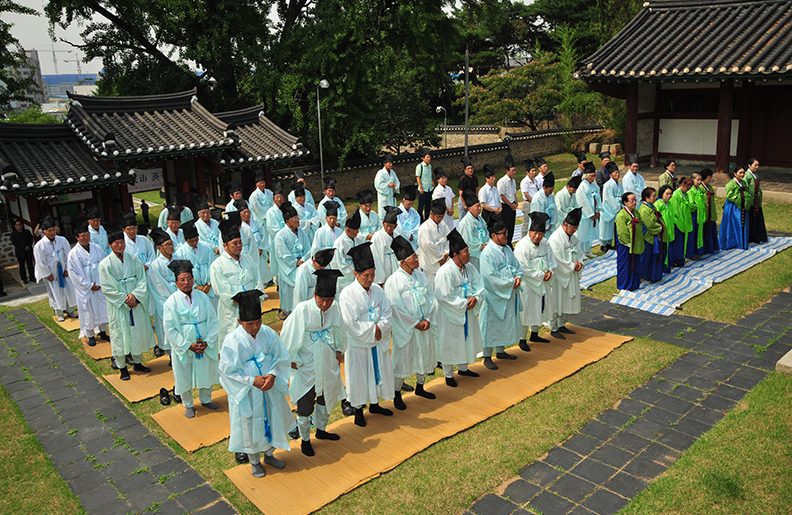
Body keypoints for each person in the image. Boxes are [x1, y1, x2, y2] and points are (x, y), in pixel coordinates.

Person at [219, 289, 291, 475]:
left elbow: (281, 356)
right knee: (250, 424)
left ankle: (269, 453)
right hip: (248, 391)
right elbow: (227, 371)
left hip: (269, 386)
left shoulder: (268, 333)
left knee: (272, 417)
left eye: (258, 322)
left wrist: (273, 374)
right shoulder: (231, 341)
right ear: (240, 322)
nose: (255, 327)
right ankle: (254, 460)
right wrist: (252, 380)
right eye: (249, 324)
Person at [282, 269, 346, 456]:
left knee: (326, 398)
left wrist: (340, 349)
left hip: (327, 360)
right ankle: (305, 439)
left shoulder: (335, 308)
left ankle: (321, 430)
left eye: (329, 300)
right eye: (321, 300)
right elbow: (288, 335)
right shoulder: (303, 310)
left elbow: (340, 330)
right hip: (307, 364)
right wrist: (292, 358)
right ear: (314, 294)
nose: (325, 304)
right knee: (305, 403)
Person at [338, 242, 394, 427]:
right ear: (356, 274)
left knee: (377, 373)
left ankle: (375, 404)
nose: (370, 279)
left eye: (372, 274)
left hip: (376, 340)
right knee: (360, 376)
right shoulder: (347, 294)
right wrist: (374, 329)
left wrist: (381, 328)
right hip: (359, 343)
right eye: (366, 275)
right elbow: (350, 322)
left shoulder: (378, 290)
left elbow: (387, 311)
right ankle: (359, 409)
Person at [385, 236, 437, 411]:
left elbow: (431, 298)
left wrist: (428, 319)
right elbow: (396, 308)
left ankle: (420, 387)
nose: (417, 259)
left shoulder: (421, 276)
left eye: (416, 256)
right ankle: (397, 393)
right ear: (402, 262)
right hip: (406, 328)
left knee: (424, 356)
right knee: (403, 360)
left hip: (424, 325)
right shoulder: (394, 281)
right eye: (413, 257)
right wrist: (415, 323)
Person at [98, 223, 156, 380]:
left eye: (121, 242)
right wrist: (125, 299)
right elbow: (108, 288)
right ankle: (122, 366)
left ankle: (137, 362)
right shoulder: (105, 265)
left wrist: (135, 296)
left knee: (137, 332)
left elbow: (142, 280)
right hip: (120, 307)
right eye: (116, 243)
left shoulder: (134, 260)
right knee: (120, 334)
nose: (119, 245)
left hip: (135, 303)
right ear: (110, 245)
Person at [163, 260, 220, 418]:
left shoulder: (202, 297)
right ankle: (188, 404)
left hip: (203, 342)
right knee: (184, 373)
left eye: (189, 278)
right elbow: (170, 328)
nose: (186, 282)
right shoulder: (171, 303)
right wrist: (188, 345)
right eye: (182, 279)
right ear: (176, 282)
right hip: (186, 345)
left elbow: (213, 320)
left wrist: (207, 341)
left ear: (193, 280)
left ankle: (206, 398)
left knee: (205, 369)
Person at [433, 229, 483, 387]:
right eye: (465, 251)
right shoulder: (444, 273)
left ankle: (463, 367)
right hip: (450, 313)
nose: (468, 254)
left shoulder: (469, 268)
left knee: (465, 338)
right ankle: (448, 374)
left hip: (466, 309)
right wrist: (464, 303)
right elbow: (443, 297)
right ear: (455, 255)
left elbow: (479, 285)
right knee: (449, 340)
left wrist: (476, 298)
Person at [478, 215, 522, 370]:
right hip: (493, 295)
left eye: (506, 232)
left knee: (504, 322)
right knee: (489, 325)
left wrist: (518, 277)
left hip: (507, 292)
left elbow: (516, 265)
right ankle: (487, 355)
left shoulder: (507, 248)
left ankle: (501, 350)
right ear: (493, 235)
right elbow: (490, 277)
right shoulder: (487, 253)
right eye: (503, 233)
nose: (506, 235)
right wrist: (511, 282)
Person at [209, 219, 261, 346]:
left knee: (254, 337)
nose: (238, 246)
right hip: (233, 310)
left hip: (252, 307)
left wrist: (253, 297)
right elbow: (221, 290)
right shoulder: (218, 265)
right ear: (225, 245)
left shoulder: (248, 260)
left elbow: (257, 280)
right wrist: (243, 300)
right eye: (234, 243)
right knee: (235, 341)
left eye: (240, 242)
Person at [514, 212, 556, 347]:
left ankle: (535, 334)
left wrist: (550, 271)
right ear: (530, 231)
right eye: (535, 233)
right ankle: (522, 338)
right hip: (528, 285)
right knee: (527, 311)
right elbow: (523, 269)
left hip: (542, 283)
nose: (537, 236)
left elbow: (552, 260)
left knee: (540, 308)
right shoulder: (522, 246)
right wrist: (542, 275)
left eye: (541, 234)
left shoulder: (545, 243)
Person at [67, 218, 109, 347]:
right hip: (86, 289)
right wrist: (89, 285)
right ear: (77, 238)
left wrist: (99, 283)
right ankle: (90, 334)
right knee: (87, 311)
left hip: (99, 284)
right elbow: (74, 274)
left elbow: (103, 266)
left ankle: (102, 331)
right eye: (82, 236)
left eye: (87, 235)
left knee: (102, 308)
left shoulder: (97, 249)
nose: (86, 238)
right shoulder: (73, 254)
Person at [34, 214, 78, 322]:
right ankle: (59, 312)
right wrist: (47, 273)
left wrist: (67, 269)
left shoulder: (62, 240)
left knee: (68, 290)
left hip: (63, 271)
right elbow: (40, 261)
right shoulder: (39, 245)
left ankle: (70, 309)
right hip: (51, 273)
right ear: (43, 232)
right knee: (55, 292)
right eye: (49, 230)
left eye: (53, 230)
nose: (52, 232)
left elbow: (68, 255)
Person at [548, 208, 584, 338]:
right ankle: (553, 328)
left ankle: (562, 324)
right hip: (559, 276)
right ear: (565, 225)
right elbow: (557, 259)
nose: (574, 231)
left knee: (566, 300)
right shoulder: (555, 239)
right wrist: (571, 265)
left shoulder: (574, 238)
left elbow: (580, 252)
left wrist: (579, 262)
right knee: (556, 301)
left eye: (576, 228)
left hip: (571, 273)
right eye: (573, 228)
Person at [274, 202, 312, 319]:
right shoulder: (281, 235)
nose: (297, 220)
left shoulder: (302, 232)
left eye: (297, 217)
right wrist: (295, 262)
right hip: (289, 267)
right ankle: (287, 310)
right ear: (287, 221)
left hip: (302, 264)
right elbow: (282, 254)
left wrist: (304, 260)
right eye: (294, 218)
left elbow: (308, 249)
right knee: (288, 291)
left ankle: (302, 308)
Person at [148, 228, 178, 359]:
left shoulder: (178, 259)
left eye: (171, 244)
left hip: (180, 297)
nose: (171, 247)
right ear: (159, 248)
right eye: (167, 245)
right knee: (168, 328)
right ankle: (171, 356)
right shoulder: (155, 265)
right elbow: (159, 287)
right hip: (165, 300)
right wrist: (175, 296)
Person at [173, 220, 217, 308]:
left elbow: (213, 266)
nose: (195, 243)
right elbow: (180, 273)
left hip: (209, 287)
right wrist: (196, 286)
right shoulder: (180, 253)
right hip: (193, 288)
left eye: (196, 239)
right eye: (191, 241)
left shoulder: (206, 248)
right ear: (185, 240)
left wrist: (209, 283)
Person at [615, 192, 644, 291]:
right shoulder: (621, 215)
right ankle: (624, 285)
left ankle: (634, 284)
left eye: (635, 200)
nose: (634, 202)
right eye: (632, 201)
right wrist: (628, 243)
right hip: (625, 245)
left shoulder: (636, 213)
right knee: (625, 265)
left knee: (635, 264)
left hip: (635, 243)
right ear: (625, 202)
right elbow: (622, 232)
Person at [417, 199, 450, 288]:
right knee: (431, 289)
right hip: (430, 264)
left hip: (443, 260)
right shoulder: (425, 228)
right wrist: (440, 258)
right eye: (438, 217)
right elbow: (427, 246)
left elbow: (449, 239)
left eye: (442, 217)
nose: (440, 219)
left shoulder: (443, 225)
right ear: (432, 214)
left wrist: (446, 254)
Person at [639, 187, 670, 281]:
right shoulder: (644, 210)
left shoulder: (652, 207)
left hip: (655, 236)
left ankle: (654, 275)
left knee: (654, 257)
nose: (655, 197)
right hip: (648, 237)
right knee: (647, 257)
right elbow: (650, 225)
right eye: (653, 196)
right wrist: (660, 228)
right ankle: (644, 275)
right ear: (646, 198)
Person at [239, 199, 272, 288]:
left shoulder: (256, 223)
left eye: (248, 212)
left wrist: (260, 248)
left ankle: (262, 289)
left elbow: (263, 235)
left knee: (261, 270)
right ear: (240, 214)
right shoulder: (240, 227)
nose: (247, 214)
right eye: (244, 213)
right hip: (247, 252)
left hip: (259, 252)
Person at [720, 166, 752, 250]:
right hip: (733, 207)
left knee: (743, 223)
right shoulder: (731, 184)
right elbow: (729, 196)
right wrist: (741, 196)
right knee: (734, 223)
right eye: (740, 173)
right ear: (735, 173)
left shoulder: (743, 183)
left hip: (742, 205)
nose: (742, 174)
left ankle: (741, 241)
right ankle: (732, 242)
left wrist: (745, 197)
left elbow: (747, 192)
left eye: (743, 173)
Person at [669, 177, 699, 266]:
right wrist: (681, 223)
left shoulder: (685, 194)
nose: (689, 190)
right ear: (683, 185)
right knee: (677, 244)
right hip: (678, 223)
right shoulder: (675, 196)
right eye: (688, 187)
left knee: (682, 243)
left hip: (685, 222)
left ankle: (681, 259)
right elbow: (676, 212)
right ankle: (675, 260)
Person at [456, 191, 488, 270]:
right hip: (473, 256)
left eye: (479, 206)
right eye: (477, 207)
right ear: (470, 208)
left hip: (485, 251)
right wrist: (481, 246)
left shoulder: (480, 218)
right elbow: (467, 241)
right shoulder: (464, 223)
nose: (479, 208)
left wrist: (487, 243)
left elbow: (486, 231)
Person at [576, 162, 600, 258]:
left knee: (590, 232)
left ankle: (587, 250)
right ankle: (581, 252)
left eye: (594, 176)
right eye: (591, 176)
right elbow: (583, 201)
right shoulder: (582, 186)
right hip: (585, 215)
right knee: (583, 233)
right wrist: (590, 213)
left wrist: (597, 210)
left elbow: (598, 198)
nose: (593, 178)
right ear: (586, 176)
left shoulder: (594, 186)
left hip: (594, 212)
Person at [693, 169, 719, 255]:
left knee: (711, 229)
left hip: (711, 210)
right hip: (704, 212)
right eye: (709, 177)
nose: (710, 179)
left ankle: (712, 247)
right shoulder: (699, 188)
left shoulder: (710, 186)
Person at [372, 206, 400, 286]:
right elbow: (376, 259)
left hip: (396, 268)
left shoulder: (397, 235)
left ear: (396, 226)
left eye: (391, 226)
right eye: (387, 225)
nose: (389, 228)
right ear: (383, 223)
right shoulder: (377, 237)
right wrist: (380, 279)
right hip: (385, 269)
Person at [264, 183, 286, 281]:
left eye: (281, 197)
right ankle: (277, 279)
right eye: (277, 197)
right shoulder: (270, 212)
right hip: (276, 239)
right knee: (276, 259)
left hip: (286, 238)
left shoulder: (286, 209)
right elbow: (271, 228)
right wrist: (283, 235)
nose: (279, 199)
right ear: (273, 199)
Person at [599, 162, 623, 251]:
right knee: (606, 228)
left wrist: (622, 203)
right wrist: (618, 205)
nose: (617, 174)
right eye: (615, 173)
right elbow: (608, 198)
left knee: (612, 228)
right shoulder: (607, 185)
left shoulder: (619, 184)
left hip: (617, 208)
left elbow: (622, 194)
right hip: (608, 209)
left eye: (618, 172)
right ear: (610, 175)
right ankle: (603, 244)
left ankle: (610, 243)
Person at [745, 157, 767, 244]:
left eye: (758, 165)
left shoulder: (755, 174)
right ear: (749, 165)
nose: (757, 167)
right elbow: (746, 188)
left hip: (756, 202)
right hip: (751, 202)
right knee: (751, 219)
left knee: (757, 219)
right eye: (755, 165)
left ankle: (757, 236)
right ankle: (751, 237)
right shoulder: (747, 175)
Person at [498, 157, 519, 245]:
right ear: (507, 171)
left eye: (515, 170)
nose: (514, 172)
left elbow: (514, 192)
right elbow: (502, 196)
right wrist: (510, 205)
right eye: (512, 170)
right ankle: (505, 243)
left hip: (512, 206)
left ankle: (509, 243)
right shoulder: (502, 182)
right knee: (505, 227)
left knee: (512, 227)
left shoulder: (513, 181)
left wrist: (516, 202)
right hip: (506, 207)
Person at [530, 172, 556, 237]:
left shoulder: (552, 195)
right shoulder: (537, 198)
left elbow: (554, 210)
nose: (551, 191)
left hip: (550, 225)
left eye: (552, 189)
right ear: (544, 188)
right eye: (550, 190)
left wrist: (551, 224)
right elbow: (538, 215)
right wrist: (545, 227)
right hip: (541, 227)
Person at [655, 186, 678, 262]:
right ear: (661, 194)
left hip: (669, 228)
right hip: (663, 230)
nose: (669, 196)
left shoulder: (669, 203)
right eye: (667, 194)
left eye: (670, 194)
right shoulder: (658, 204)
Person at [374, 155, 400, 219]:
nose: (391, 165)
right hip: (384, 196)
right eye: (389, 163)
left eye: (391, 163)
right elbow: (378, 184)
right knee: (383, 212)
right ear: (385, 164)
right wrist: (388, 185)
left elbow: (397, 181)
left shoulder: (392, 172)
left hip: (391, 195)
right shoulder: (380, 173)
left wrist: (396, 187)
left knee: (392, 211)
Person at [396, 185, 421, 250]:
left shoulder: (413, 212)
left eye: (412, 204)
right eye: (409, 204)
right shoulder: (397, 212)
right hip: (402, 238)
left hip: (413, 237)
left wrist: (413, 235)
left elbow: (417, 223)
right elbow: (399, 227)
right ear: (403, 201)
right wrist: (408, 235)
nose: (410, 206)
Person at [415, 149, 434, 222]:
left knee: (428, 205)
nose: (429, 159)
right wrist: (420, 187)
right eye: (427, 157)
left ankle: (427, 218)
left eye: (429, 157)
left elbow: (430, 175)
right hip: (423, 188)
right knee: (421, 205)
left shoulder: (429, 166)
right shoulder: (420, 166)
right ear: (423, 158)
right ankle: (419, 219)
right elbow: (418, 177)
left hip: (429, 188)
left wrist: (432, 181)